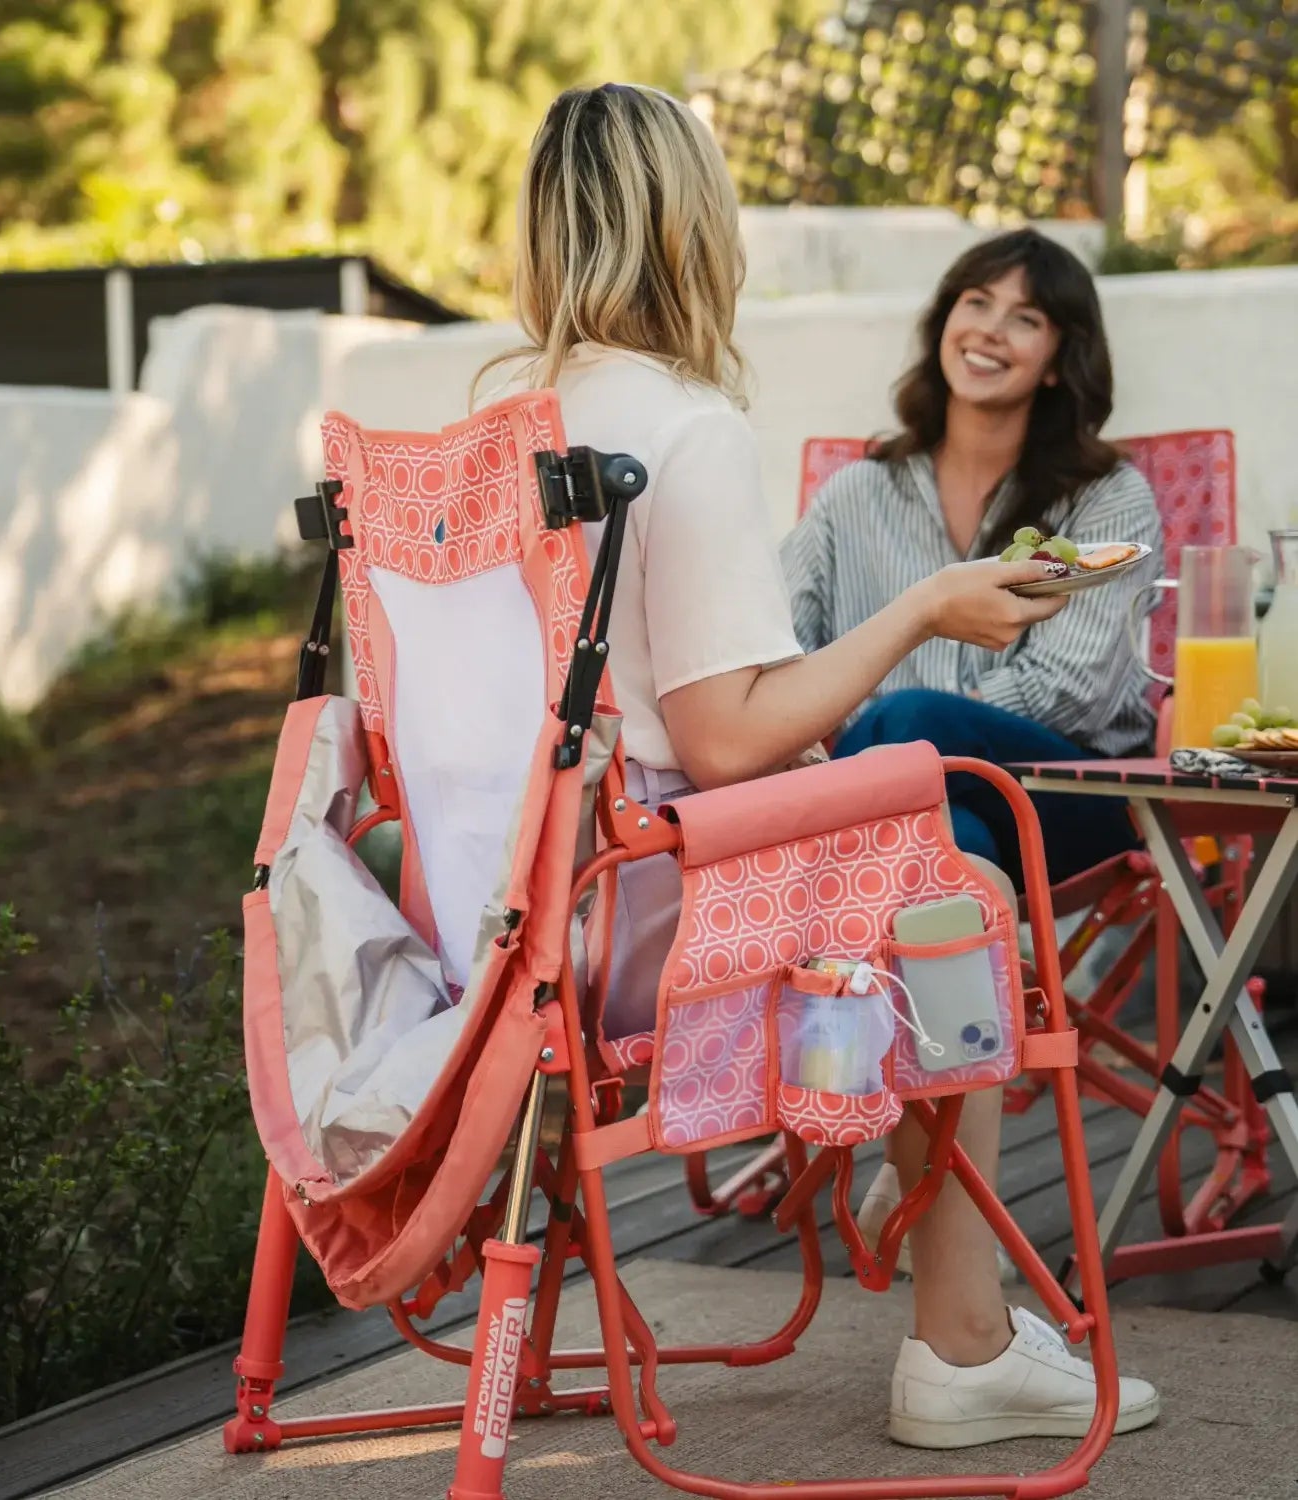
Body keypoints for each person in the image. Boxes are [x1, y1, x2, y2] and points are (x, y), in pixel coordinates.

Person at [486, 82, 1157, 1448]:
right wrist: (918, 611)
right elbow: (731, 733)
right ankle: (964, 1345)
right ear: (692, 226)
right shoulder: (686, 428)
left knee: (924, 850)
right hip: (645, 919)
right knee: (959, 893)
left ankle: (928, 1254)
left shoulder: (498, 426)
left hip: (504, 901)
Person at [782, 229, 1164, 892]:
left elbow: (1073, 692)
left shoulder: (1108, 498)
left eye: (1025, 318)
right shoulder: (857, 494)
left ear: (1056, 360)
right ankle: (970, 986)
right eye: (977, 303)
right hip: (904, 812)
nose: (990, 331)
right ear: (944, 323)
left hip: (1067, 800)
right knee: (953, 836)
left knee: (911, 722)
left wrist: (891, 721)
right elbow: (781, 654)